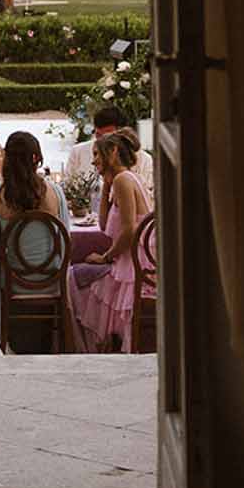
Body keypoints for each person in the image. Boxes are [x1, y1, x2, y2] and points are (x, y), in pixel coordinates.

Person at [67, 128, 152, 351]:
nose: (94, 161)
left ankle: (87, 348)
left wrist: (105, 258)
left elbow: (129, 231)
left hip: (132, 270)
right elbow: (104, 227)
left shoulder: (124, 179)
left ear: (113, 152)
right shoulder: (120, 180)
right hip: (126, 263)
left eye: (97, 154)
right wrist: (105, 187)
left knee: (73, 277)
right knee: (79, 273)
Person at [64, 104, 154, 199]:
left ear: (121, 133)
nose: (101, 142)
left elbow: (148, 197)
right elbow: (67, 187)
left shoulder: (143, 159)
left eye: (107, 136)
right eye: (98, 135)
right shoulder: (78, 152)